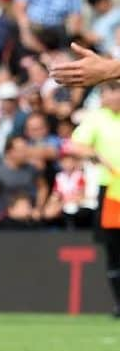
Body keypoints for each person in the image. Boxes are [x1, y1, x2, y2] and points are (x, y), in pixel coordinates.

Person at [70, 80, 120, 316]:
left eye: (113, 92)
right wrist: (98, 155)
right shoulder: (97, 118)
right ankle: (119, 303)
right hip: (110, 189)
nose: (108, 98)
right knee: (113, 247)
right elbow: (75, 146)